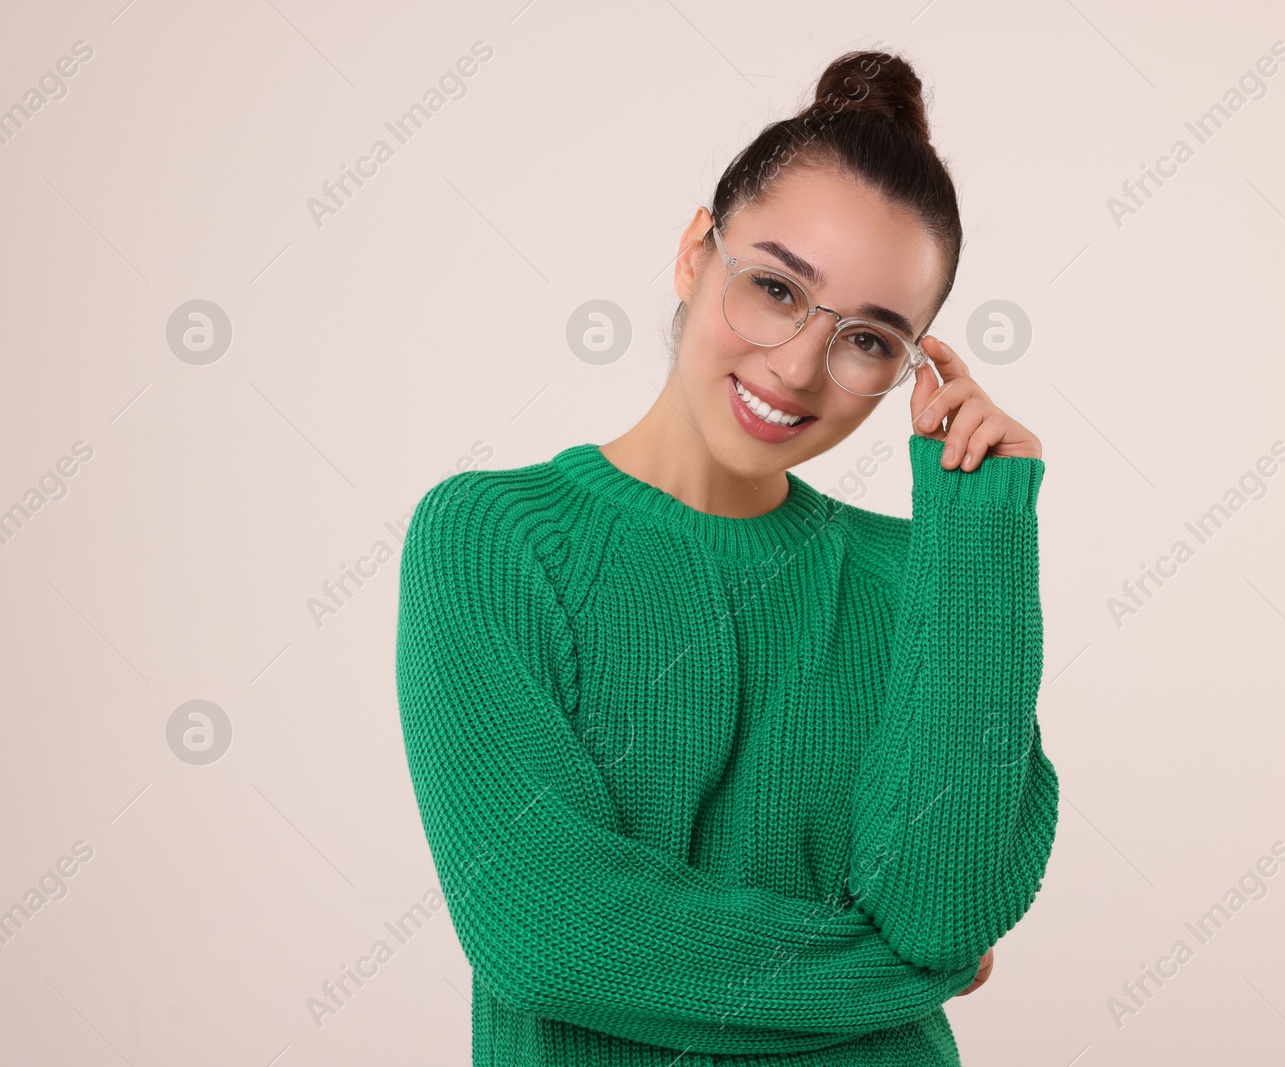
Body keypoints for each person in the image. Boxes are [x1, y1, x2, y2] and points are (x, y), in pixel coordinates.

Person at [395, 48, 1058, 1067]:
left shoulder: (915, 581)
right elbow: (544, 928)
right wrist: (895, 973)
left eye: (870, 340)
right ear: (696, 253)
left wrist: (980, 526)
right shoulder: (493, 538)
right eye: (776, 288)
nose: (797, 367)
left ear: (912, 363)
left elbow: (939, 907)